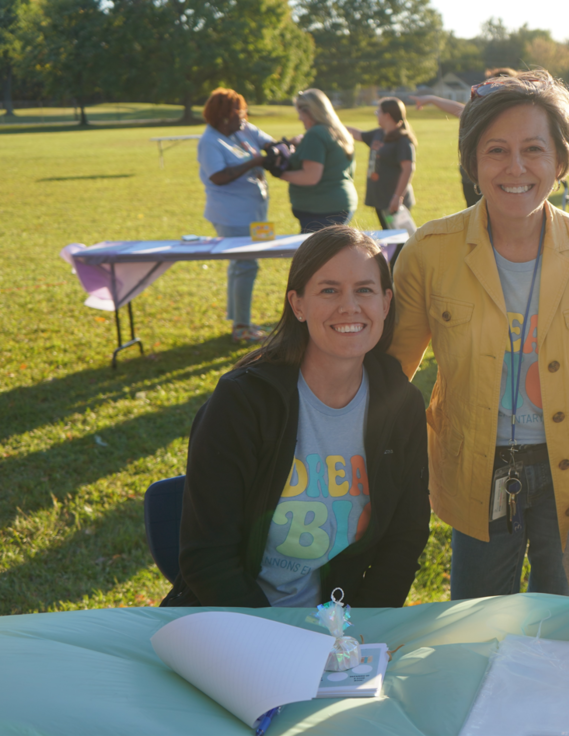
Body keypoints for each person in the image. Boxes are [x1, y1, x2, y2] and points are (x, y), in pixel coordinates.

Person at [388, 69, 569, 601]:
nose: (515, 168)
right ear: (471, 163)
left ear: (561, 161)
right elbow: (390, 372)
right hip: (476, 466)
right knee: (478, 614)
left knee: (568, 614)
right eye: (496, 150)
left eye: (534, 150)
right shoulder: (429, 251)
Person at [162, 226, 431, 608]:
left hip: (343, 628)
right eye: (329, 289)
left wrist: (357, 632)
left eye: (365, 290)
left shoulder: (400, 403)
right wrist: (279, 643)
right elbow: (207, 558)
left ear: (386, 303)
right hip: (240, 624)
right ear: (298, 304)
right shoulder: (243, 402)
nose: (349, 306)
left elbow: (405, 538)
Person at [197, 88, 274, 342]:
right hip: (232, 215)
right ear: (225, 116)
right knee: (245, 265)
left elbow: (268, 142)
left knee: (240, 265)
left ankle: (237, 320)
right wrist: (254, 163)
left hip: (253, 212)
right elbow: (218, 177)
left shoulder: (242, 129)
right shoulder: (210, 141)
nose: (244, 117)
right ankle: (242, 327)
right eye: (240, 113)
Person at [412, 68, 519, 208]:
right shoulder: (481, 114)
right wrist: (432, 99)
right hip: (474, 179)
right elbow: (458, 109)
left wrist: (432, 99)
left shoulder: (518, 118)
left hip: (484, 178)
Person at [277, 89, 359, 234]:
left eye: (300, 113)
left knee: (315, 256)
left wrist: (279, 172)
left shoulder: (315, 134)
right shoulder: (337, 130)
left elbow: (310, 177)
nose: (299, 119)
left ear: (309, 112)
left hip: (321, 208)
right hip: (340, 203)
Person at [347, 98, 417, 228]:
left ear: (387, 115)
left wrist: (397, 198)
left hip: (393, 201)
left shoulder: (402, 140)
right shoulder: (379, 134)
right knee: (390, 236)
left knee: (399, 241)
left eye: (378, 112)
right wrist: (333, 125)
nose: (376, 115)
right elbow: (357, 134)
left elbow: (408, 169)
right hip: (381, 199)